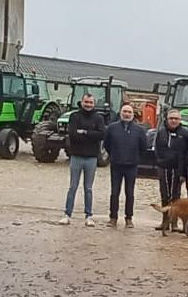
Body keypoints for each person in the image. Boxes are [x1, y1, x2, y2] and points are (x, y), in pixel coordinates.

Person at [62, 92, 106, 226]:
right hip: (76, 156)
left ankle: (88, 216)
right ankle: (67, 214)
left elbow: (101, 135)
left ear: (94, 104)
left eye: (91, 102)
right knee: (73, 187)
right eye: (86, 102)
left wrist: (84, 132)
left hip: (91, 158)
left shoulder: (99, 118)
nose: (88, 105)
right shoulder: (74, 116)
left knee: (88, 188)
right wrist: (90, 135)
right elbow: (73, 135)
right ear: (82, 102)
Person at [103, 103, 148, 228]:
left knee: (130, 193)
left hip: (131, 166)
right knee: (114, 192)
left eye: (129, 112)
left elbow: (143, 147)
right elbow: (107, 144)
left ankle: (129, 218)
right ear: (120, 113)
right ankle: (113, 217)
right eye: (125, 111)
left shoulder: (139, 130)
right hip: (116, 165)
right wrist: (114, 154)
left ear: (133, 114)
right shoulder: (112, 128)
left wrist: (135, 157)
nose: (127, 114)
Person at [153, 109, 188, 232]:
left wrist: (183, 171)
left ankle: (174, 222)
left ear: (180, 120)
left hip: (177, 169)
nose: (173, 121)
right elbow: (156, 148)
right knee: (164, 195)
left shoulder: (185, 133)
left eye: (176, 118)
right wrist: (160, 160)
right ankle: (165, 221)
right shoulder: (161, 132)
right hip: (163, 167)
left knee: (175, 196)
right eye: (171, 118)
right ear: (167, 119)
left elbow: (186, 152)